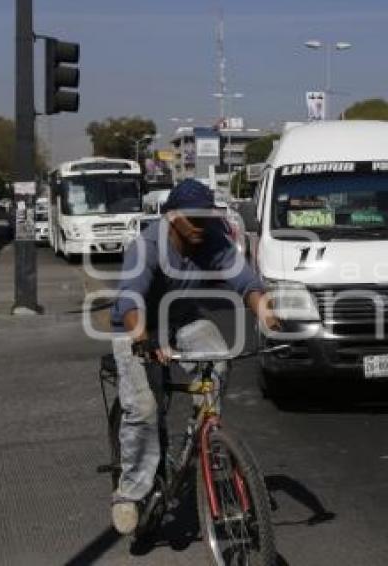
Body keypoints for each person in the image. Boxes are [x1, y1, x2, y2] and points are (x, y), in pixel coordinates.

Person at [109, 179, 279, 535]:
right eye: (194, 219)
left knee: (218, 356)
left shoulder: (211, 236)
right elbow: (129, 299)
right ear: (172, 217)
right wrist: (143, 337)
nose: (202, 225)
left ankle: (206, 435)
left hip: (182, 319)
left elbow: (245, 281)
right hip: (137, 326)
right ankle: (131, 493)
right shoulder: (148, 246)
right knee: (143, 408)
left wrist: (266, 314)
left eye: (206, 217)